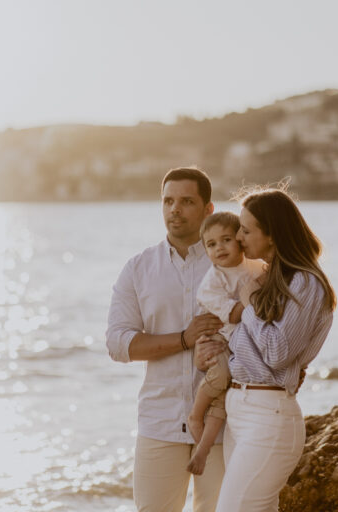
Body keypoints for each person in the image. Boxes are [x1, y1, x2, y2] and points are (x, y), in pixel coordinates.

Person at [198, 186, 337, 512]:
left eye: (246, 230)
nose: (239, 238)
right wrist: (216, 345)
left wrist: (247, 305)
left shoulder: (306, 282)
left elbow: (276, 352)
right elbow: (254, 342)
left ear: (272, 235)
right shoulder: (269, 278)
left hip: (269, 415)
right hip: (242, 409)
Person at [106, 167, 228, 512]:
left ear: (208, 210)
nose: (175, 209)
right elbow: (118, 343)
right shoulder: (138, 268)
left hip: (222, 425)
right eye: (168, 201)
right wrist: (184, 339)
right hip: (160, 421)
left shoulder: (231, 266)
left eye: (186, 201)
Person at [186, 211, 265, 476]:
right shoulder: (211, 282)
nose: (219, 248)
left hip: (240, 341)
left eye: (226, 239)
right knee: (221, 376)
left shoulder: (256, 267)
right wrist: (255, 292)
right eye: (211, 244)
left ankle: (203, 450)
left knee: (223, 400)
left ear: (240, 240)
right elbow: (233, 314)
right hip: (220, 337)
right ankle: (196, 414)